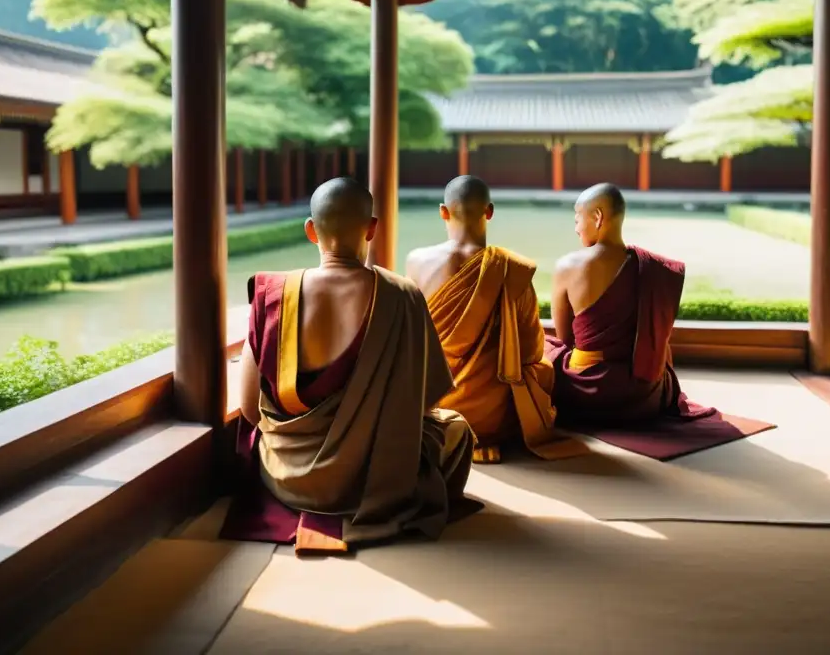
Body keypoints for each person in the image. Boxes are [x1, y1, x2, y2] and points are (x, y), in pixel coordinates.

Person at [232, 177, 478, 552]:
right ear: (372, 228)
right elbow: (425, 403)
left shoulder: (274, 295)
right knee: (455, 429)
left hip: (287, 478)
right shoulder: (403, 295)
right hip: (376, 480)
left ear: (311, 231)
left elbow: (250, 409)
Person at [406, 176, 586, 464]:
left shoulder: (415, 261)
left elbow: (411, 335)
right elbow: (529, 350)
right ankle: (482, 436)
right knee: (545, 359)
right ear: (489, 212)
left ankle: (446, 430)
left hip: (427, 405)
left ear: (443, 211)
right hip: (491, 417)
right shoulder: (511, 269)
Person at [546, 183, 710, 426]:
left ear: (597, 217)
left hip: (586, 395)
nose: (576, 228)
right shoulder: (652, 267)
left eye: (577, 218)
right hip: (644, 396)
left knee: (544, 345)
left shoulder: (567, 266)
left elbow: (565, 339)